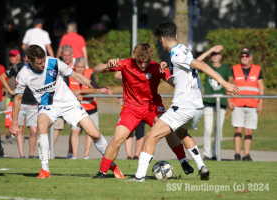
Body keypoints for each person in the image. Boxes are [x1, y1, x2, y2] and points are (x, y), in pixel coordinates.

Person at [126, 21, 238, 182]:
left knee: (151, 136)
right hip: (197, 106)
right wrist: (168, 67)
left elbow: (200, 65)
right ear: (176, 36)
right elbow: (184, 72)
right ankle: (201, 166)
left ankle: (139, 177)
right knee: (181, 132)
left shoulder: (176, 54)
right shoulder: (183, 49)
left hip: (183, 106)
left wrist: (225, 83)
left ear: (162, 39)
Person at [9, 44, 124, 179]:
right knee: (41, 125)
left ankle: (112, 165)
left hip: (69, 103)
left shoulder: (54, 62)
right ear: (30, 61)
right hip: (48, 106)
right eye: (40, 63)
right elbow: (17, 99)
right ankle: (45, 169)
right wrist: (14, 123)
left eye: (44, 60)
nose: (43, 64)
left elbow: (76, 75)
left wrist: (95, 87)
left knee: (96, 135)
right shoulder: (23, 74)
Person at [92, 43, 194, 179]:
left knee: (168, 129)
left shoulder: (157, 67)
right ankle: (102, 172)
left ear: (150, 58)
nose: (143, 65)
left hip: (152, 107)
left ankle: (183, 161)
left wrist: (175, 71)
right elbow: (96, 69)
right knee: (117, 138)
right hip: (131, 108)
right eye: (140, 62)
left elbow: (174, 82)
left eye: (146, 62)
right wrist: (107, 65)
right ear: (135, 58)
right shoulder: (125, 64)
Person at [196, 45, 234, 160]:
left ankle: (216, 154)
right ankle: (207, 154)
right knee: (208, 129)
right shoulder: (206, 66)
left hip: (221, 102)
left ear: (220, 56)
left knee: (219, 129)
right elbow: (196, 61)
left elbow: (231, 79)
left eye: (217, 54)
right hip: (209, 101)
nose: (215, 56)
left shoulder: (225, 68)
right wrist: (211, 49)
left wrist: (230, 93)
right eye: (213, 54)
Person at [0, 49, 38, 158]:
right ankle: (22, 155)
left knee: (34, 130)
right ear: (25, 58)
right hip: (19, 103)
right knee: (19, 129)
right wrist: (10, 90)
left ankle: (31, 154)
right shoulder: (18, 67)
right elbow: (2, 77)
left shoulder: (39, 68)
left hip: (33, 104)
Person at [228, 48, 265, 161]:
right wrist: (229, 101)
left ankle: (246, 155)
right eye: (242, 56)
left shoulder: (257, 69)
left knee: (249, 130)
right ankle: (237, 154)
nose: (244, 58)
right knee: (238, 129)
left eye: (246, 56)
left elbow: (261, 87)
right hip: (237, 104)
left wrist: (261, 102)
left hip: (252, 104)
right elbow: (229, 86)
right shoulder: (234, 69)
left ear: (251, 58)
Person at [67, 57, 99, 159]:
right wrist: (75, 95)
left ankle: (86, 155)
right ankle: (74, 156)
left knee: (89, 133)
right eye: (78, 67)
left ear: (85, 67)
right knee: (75, 131)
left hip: (91, 108)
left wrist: (80, 92)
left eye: (82, 67)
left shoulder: (90, 73)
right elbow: (66, 90)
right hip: (76, 109)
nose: (80, 69)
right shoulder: (69, 74)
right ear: (74, 66)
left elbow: (94, 90)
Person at [114, 71, 145, 160]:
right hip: (129, 107)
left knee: (140, 132)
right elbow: (117, 75)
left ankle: (137, 155)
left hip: (141, 106)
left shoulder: (143, 74)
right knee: (128, 132)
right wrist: (127, 65)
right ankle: (129, 155)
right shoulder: (128, 73)